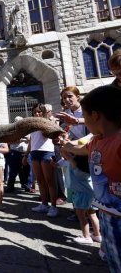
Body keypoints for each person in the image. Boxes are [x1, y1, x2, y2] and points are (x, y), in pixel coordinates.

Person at [62, 85, 121, 273]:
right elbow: (81, 149)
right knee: (113, 260)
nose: (84, 122)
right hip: (106, 213)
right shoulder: (96, 140)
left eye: (85, 117)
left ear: (95, 116)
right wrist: (66, 145)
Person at [56, 86, 90, 218]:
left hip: (90, 149)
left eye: (70, 96)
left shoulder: (87, 109)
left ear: (78, 96)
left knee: (89, 183)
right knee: (75, 184)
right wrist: (61, 138)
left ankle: (93, 214)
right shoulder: (65, 114)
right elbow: (63, 132)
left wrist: (77, 121)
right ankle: (79, 212)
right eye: (64, 97)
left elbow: (96, 123)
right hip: (74, 153)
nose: (67, 100)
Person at [60, 141, 101, 245]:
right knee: (92, 214)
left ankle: (86, 236)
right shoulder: (90, 165)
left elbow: (63, 152)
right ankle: (97, 235)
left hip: (81, 194)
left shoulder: (75, 164)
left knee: (81, 216)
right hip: (91, 193)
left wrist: (66, 144)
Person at [24, 103, 59, 218]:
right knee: (40, 180)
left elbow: (49, 135)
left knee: (50, 181)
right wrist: (26, 155)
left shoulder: (49, 122)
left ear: (43, 112)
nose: (37, 114)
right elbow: (31, 141)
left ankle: (53, 206)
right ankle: (44, 204)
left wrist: (45, 121)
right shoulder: (31, 125)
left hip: (46, 152)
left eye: (39, 112)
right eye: (35, 112)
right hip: (34, 153)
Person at [5, 116, 30, 193]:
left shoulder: (27, 130)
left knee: (25, 171)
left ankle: (26, 185)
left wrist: (26, 139)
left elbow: (30, 139)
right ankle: (10, 187)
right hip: (15, 152)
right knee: (13, 170)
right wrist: (20, 140)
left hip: (24, 153)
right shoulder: (12, 131)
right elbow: (8, 142)